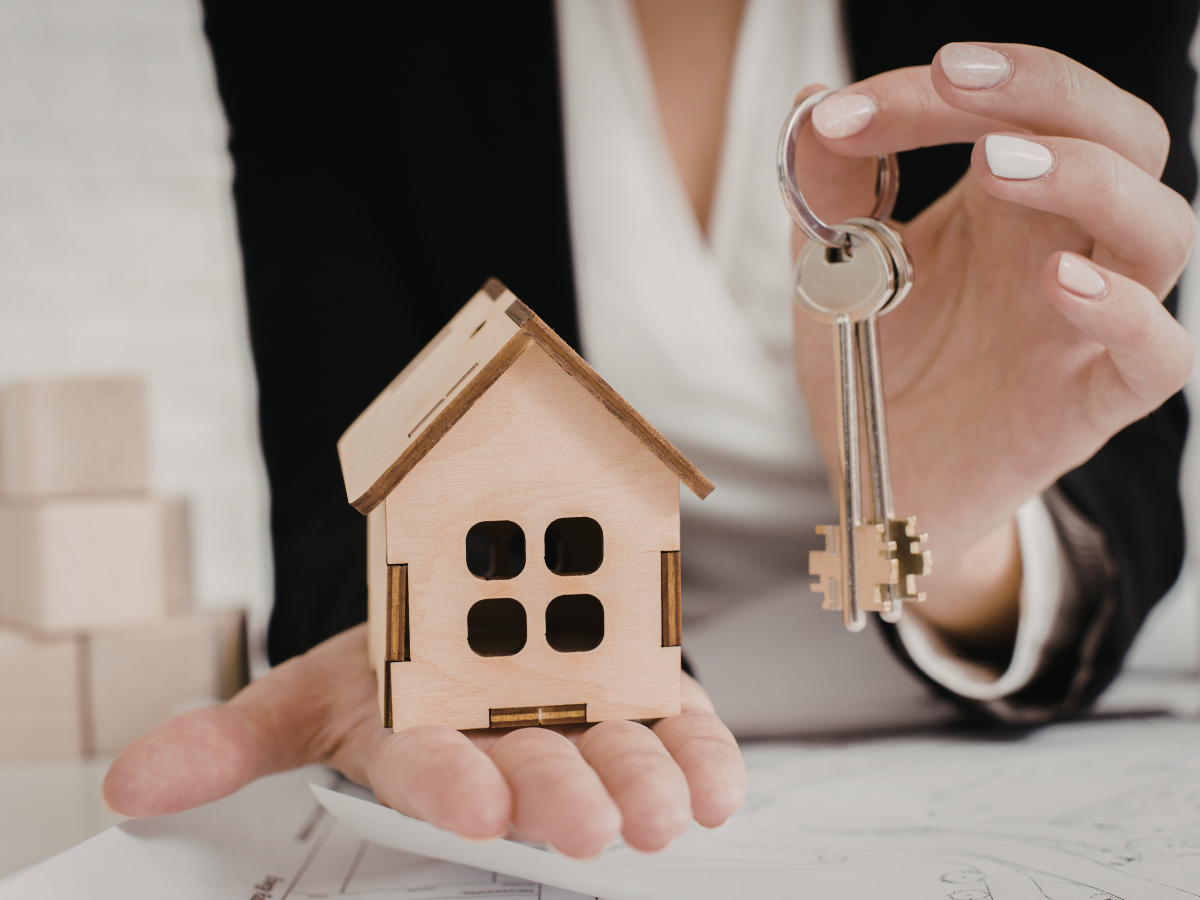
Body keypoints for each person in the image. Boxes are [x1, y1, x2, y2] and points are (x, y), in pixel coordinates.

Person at [102, 0, 1197, 859]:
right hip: (590, 721)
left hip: (952, 713)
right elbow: (344, 473)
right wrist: (404, 637)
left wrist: (949, 535)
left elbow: (1129, 477)